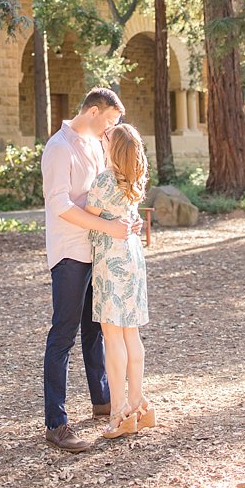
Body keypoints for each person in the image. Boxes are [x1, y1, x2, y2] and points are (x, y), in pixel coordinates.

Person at [40, 87, 140, 453]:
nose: (112, 128)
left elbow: (106, 194)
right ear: (95, 111)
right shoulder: (59, 147)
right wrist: (107, 226)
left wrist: (123, 224)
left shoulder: (96, 146)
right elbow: (60, 205)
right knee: (63, 334)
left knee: (95, 329)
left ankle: (102, 400)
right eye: (111, 120)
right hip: (69, 252)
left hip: (99, 251)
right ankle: (56, 423)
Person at [85, 122, 155, 438]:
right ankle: (139, 403)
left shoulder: (103, 181)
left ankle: (118, 412)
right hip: (132, 257)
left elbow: (88, 218)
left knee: (113, 337)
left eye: (108, 136)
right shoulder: (134, 180)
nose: (103, 137)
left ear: (114, 147)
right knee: (131, 334)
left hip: (111, 260)